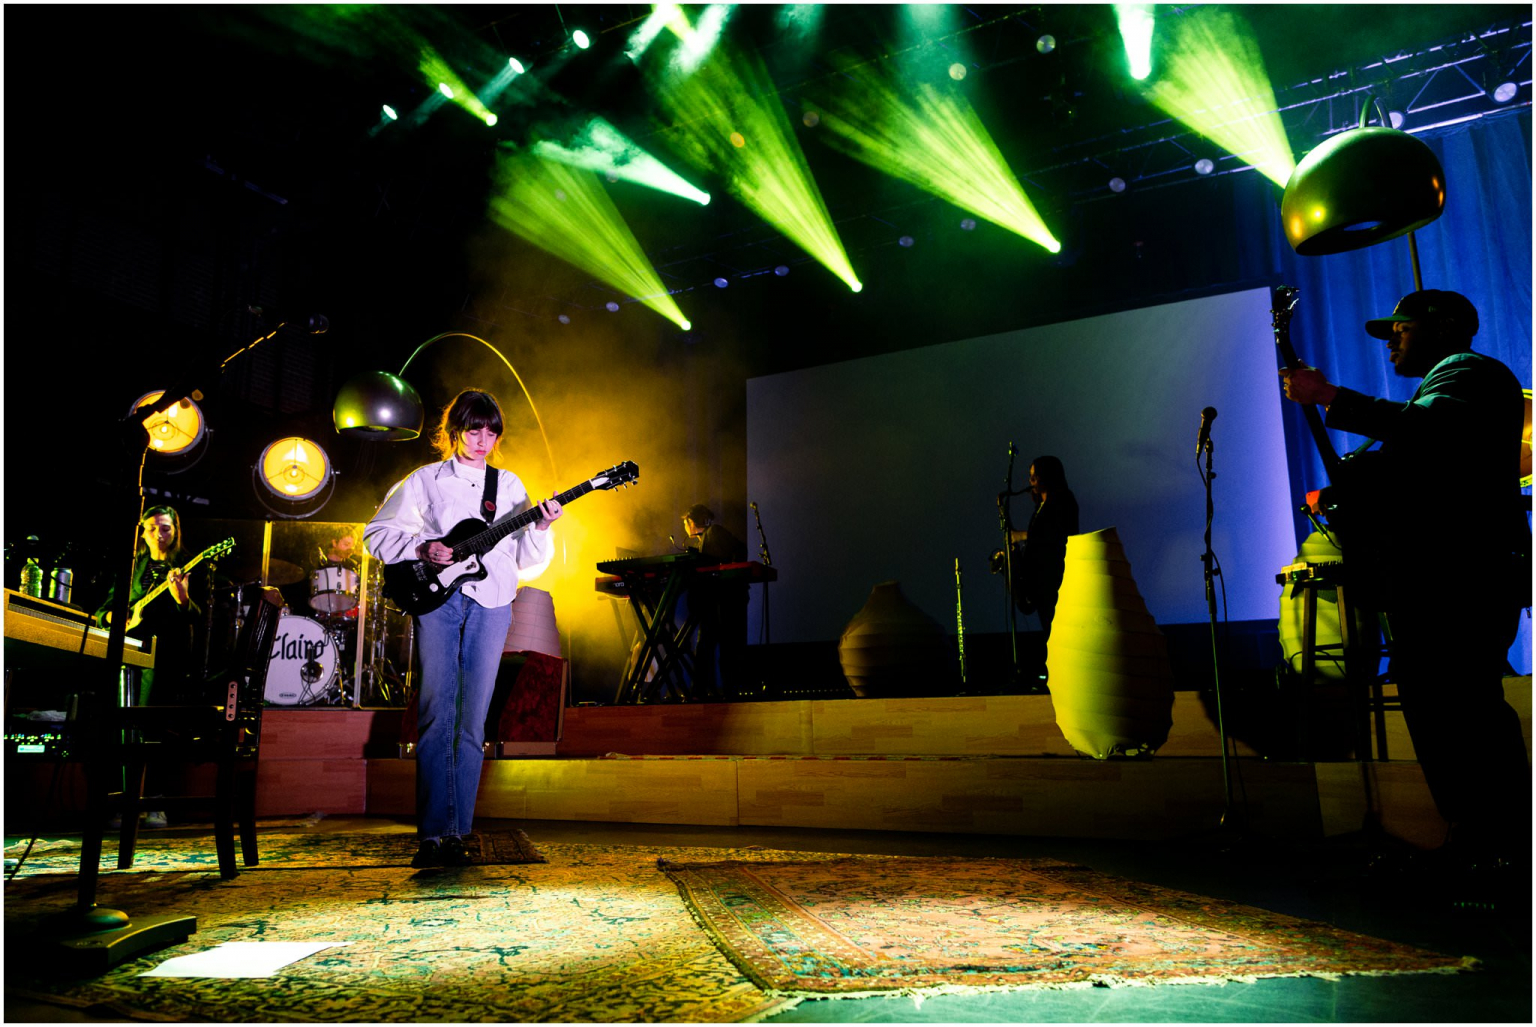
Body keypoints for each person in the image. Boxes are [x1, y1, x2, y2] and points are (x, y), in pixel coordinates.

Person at [1280, 289, 1530, 876]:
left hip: (1462, 575)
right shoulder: (1451, 381)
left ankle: (1502, 847)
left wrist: (1329, 397)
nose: (1392, 339)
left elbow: (1428, 431)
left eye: (1401, 328)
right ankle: (1481, 840)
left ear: (1442, 328)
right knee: (1446, 704)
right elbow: (1425, 462)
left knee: (1459, 706)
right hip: (1449, 574)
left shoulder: (1468, 372)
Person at [364, 389, 563, 869]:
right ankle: (433, 835)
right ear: (455, 431)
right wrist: (422, 548)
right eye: (474, 429)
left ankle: (458, 833)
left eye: (492, 431)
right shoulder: (426, 479)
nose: (483, 439)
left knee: (472, 722)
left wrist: (540, 529)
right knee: (437, 713)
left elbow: (527, 562)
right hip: (438, 603)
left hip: (493, 603)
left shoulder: (510, 484)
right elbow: (376, 534)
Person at [93, 505, 201, 829]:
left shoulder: (187, 564)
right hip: (130, 655)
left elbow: (198, 615)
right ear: (142, 531)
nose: (159, 534)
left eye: (165, 528)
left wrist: (181, 597)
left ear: (175, 530)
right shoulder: (133, 566)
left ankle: (154, 801)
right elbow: (104, 610)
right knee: (122, 725)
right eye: (152, 528)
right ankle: (123, 801)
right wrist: (115, 617)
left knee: (152, 727)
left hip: (165, 657)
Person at [1006, 456, 1080, 640]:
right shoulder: (1040, 506)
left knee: (1057, 634)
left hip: (1055, 580)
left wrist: (1022, 536)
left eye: (1035, 476)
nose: (1030, 481)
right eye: (1030, 476)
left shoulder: (1064, 501)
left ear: (1048, 476)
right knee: (1049, 633)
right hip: (1041, 582)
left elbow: (1058, 536)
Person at [681, 503, 748, 698]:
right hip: (715, 603)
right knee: (707, 648)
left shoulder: (714, 533)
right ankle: (703, 692)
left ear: (691, 522)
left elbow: (739, 549)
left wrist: (727, 576)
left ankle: (716, 694)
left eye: (685, 523)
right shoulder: (705, 538)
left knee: (718, 649)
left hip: (723, 602)